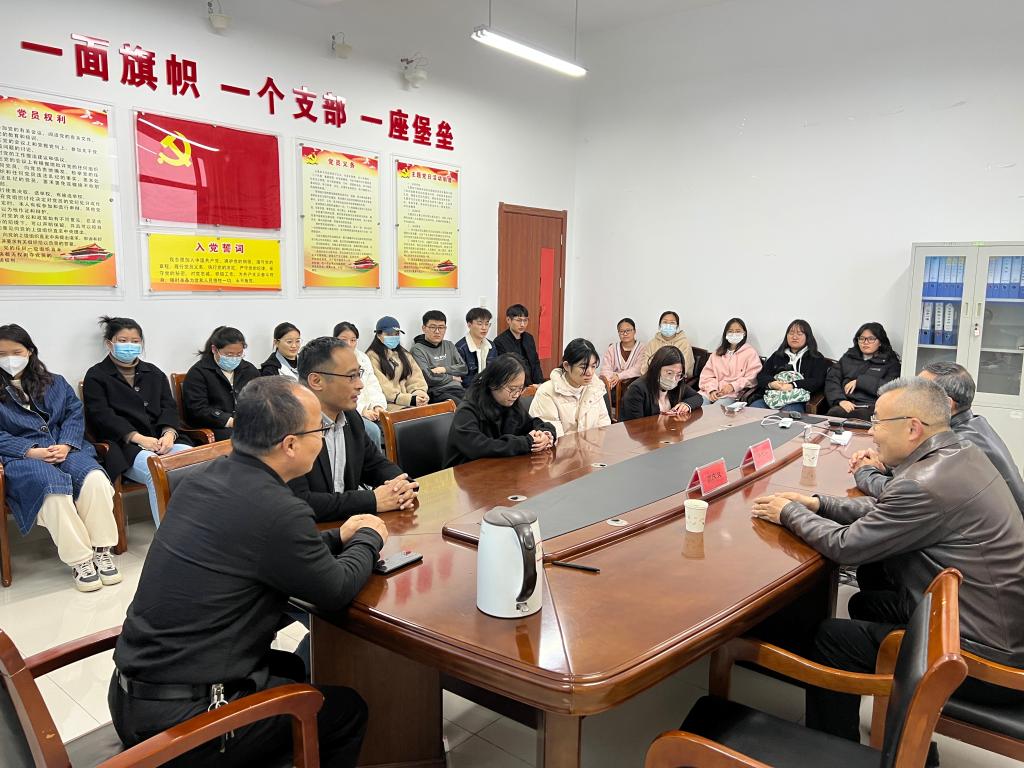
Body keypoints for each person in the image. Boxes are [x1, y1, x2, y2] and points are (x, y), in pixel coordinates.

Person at [108, 377, 387, 767]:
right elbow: (336, 590)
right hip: (191, 723)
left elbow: (262, 549)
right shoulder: (277, 508)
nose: (323, 440)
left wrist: (338, 536)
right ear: (290, 445)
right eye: (319, 431)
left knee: (293, 666)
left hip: (131, 699)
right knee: (346, 709)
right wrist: (369, 538)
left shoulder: (203, 479)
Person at [751, 377, 1024, 749]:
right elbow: (891, 509)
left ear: (913, 428)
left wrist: (788, 513)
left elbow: (846, 547)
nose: (871, 432)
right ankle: (891, 714)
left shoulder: (925, 482)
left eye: (878, 422)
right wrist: (819, 504)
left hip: (980, 660)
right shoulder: (959, 453)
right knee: (867, 603)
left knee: (833, 638)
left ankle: (835, 752)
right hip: (993, 627)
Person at [0, 324, 120, 592]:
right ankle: (81, 561)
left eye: (16, 352)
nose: (9, 359)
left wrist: (66, 444)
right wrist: (29, 450)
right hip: (22, 459)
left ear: (30, 351)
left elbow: (74, 414)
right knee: (52, 491)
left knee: (95, 480)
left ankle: (102, 551)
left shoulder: (55, 382)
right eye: (1, 354)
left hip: (67, 448)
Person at [851, 362, 1024, 517]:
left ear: (946, 404)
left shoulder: (959, 445)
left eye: (919, 392)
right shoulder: (973, 423)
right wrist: (886, 465)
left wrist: (865, 471)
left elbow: (906, 493)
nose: (909, 397)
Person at [289, 336, 419, 521]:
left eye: (360, 374)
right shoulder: (289, 426)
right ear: (316, 381)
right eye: (351, 376)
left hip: (349, 526)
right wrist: (372, 500)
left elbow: (375, 465)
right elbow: (300, 502)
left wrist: (402, 485)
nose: (360, 385)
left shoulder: (351, 418)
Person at [83, 316, 192, 527]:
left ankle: (197, 529)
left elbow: (169, 406)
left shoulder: (154, 372)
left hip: (162, 440)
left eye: (135, 341)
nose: (129, 346)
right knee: (156, 470)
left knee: (195, 463)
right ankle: (168, 536)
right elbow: (102, 416)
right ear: (109, 344)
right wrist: (139, 438)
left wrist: (169, 433)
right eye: (123, 341)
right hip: (125, 448)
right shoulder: (96, 376)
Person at [444, 353, 556, 467]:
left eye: (520, 389)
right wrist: (526, 442)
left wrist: (545, 434)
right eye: (512, 389)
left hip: (498, 469)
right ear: (493, 383)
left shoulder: (510, 404)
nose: (516, 395)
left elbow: (531, 423)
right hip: (464, 472)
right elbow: (478, 447)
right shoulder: (467, 410)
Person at [182, 326, 261, 441]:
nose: (234, 358)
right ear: (214, 349)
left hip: (246, 422)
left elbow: (261, 399)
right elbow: (198, 409)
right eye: (229, 355)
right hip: (216, 426)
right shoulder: (198, 372)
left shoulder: (249, 370)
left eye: (239, 354)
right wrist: (229, 421)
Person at [529, 338, 611, 437]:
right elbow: (554, 437)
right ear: (567, 366)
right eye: (583, 367)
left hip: (592, 446)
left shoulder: (595, 387)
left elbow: (604, 425)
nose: (590, 373)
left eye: (593, 366)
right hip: (561, 446)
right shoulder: (547, 392)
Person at [746, 319, 828, 413]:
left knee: (787, 414)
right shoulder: (778, 355)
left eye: (799, 334)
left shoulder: (816, 357)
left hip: (797, 400)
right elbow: (762, 375)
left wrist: (793, 385)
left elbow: (817, 381)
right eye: (791, 333)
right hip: (772, 398)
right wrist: (772, 383)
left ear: (808, 337)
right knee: (753, 410)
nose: (794, 337)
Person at [824, 322, 901, 419]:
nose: (865, 342)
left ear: (880, 342)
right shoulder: (849, 357)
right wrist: (840, 400)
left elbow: (891, 388)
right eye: (862, 338)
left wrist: (860, 382)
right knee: (833, 415)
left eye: (871, 339)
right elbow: (832, 380)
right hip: (846, 404)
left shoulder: (890, 362)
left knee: (860, 417)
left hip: (872, 407)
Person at [333, 322, 387, 449]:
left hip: (369, 409)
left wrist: (377, 406)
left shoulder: (362, 358)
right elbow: (340, 394)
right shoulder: (332, 361)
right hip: (347, 411)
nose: (349, 344)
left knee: (390, 423)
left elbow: (372, 385)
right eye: (344, 340)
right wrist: (362, 410)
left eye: (353, 340)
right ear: (335, 340)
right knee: (373, 430)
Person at [620, 346, 702, 421]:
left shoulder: (678, 383)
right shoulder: (637, 389)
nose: (673, 379)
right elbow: (635, 425)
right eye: (669, 373)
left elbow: (698, 397)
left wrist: (686, 405)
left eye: (678, 374)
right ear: (656, 369)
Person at [366, 316, 428, 410]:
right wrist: (408, 400)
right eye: (389, 334)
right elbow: (383, 387)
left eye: (396, 334)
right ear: (378, 335)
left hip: (411, 402)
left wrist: (419, 393)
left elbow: (416, 377)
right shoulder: (372, 356)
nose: (394, 337)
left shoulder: (405, 354)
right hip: (389, 405)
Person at [698, 318, 762, 406]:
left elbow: (752, 377)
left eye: (738, 331)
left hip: (732, 394)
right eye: (731, 331)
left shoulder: (750, 353)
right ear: (726, 334)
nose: (734, 334)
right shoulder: (717, 353)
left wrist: (733, 386)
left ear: (744, 333)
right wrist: (712, 390)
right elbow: (707, 376)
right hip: (709, 392)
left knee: (716, 410)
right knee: (696, 407)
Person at [410, 310, 469, 404]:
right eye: (433, 327)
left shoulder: (449, 345)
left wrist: (443, 369)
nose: (437, 331)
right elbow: (429, 378)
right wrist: (452, 377)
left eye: (441, 327)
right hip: (437, 392)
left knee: (480, 404)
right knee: (463, 407)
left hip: (458, 389)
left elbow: (463, 369)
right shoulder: (417, 349)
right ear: (424, 328)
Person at [492, 304, 544, 385]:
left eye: (525, 320)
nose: (522, 324)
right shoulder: (500, 341)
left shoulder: (529, 338)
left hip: (533, 383)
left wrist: (540, 383)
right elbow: (506, 369)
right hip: (515, 384)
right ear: (508, 320)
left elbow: (535, 362)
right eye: (519, 320)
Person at [639, 311, 694, 377]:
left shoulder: (684, 344)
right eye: (665, 322)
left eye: (672, 323)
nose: (668, 325)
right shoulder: (652, 343)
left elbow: (683, 368)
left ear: (677, 327)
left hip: (675, 379)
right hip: (652, 377)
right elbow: (644, 367)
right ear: (660, 325)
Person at [454, 307, 496, 391]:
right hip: (469, 391)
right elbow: (461, 379)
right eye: (480, 324)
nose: (484, 328)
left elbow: (494, 370)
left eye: (487, 324)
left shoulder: (491, 346)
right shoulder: (460, 348)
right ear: (469, 325)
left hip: (488, 389)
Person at [599, 317, 644, 394]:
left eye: (628, 330)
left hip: (634, 385)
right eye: (622, 331)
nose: (625, 334)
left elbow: (638, 369)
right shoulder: (612, 348)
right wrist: (612, 380)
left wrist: (619, 376)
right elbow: (605, 369)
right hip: (613, 384)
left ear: (634, 331)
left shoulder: (642, 348)